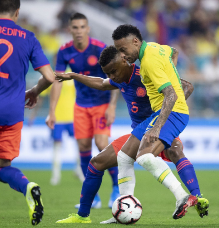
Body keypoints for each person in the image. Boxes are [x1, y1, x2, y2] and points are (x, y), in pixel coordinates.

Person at [54, 46, 209, 223]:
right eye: (108, 73)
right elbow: (101, 83)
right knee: (97, 163)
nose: (111, 76)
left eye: (113, 71)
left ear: (124, 62)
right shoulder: (120, 79)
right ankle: (85, 216)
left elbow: (186, 86)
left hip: (158, 126)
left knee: (175, 149)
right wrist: (73, 75)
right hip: (138, 132)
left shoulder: (144, 74)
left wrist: (165, 115)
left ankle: (196, 197)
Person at [0, 0, 55, 227]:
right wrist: (34, 91)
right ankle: (27, 187)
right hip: (13, 112)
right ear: (17, 12)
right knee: (0, 167)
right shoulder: (29, 37)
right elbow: (51, 77)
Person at [110, 24, 201, 220]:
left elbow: (170, 94)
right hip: (161, 113)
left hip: (171, 113)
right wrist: (172, 74)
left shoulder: (149, 60)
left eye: (123, 49)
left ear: (135, 41)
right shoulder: (154, 47)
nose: (122, 55)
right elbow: (173, 51)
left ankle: (183, 197)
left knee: (144, 157)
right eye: (118, 51)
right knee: (124, 157)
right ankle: (124, 207)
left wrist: (158, 126)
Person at [45, 12, 120, 208]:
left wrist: (112, 106)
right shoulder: (65, 51)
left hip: (102, 104)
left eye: (82, 27)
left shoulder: (99, 49)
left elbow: (115, 77)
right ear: (70, 29)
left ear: (88, 28)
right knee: (83, 148)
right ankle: (92, 197)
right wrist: (51, 111)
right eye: (75, 27)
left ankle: (116, 188)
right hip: (81, 106)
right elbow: (57, 81)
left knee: (101, 142)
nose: (78, 31)